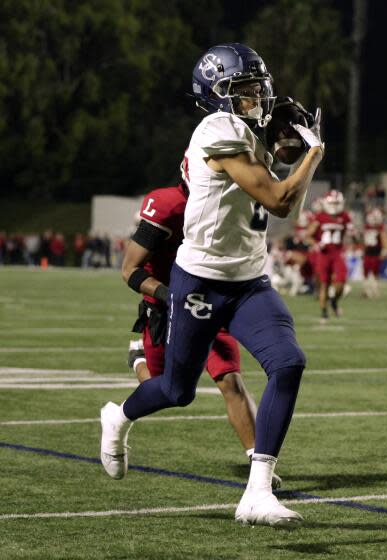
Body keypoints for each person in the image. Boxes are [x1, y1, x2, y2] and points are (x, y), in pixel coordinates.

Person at [100, 42, 324, 527]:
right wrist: (312, 154)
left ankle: (257, 491)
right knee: (176, 390)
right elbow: (281, 201)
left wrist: (289, 149)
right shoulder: (216, 130)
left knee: (288, 362)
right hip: (201, 279)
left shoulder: (250, 127)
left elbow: (285, 193)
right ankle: (118, 416)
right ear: (216, 96)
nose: (254, 99)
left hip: (248, 280)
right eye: (241, 91)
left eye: (256, 89)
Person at [121, 180, 280, 488]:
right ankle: (138, 357)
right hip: (167, 304)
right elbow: (130, 269)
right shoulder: (168, 204)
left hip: (208, 301)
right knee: (163, 390)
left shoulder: (227, 203)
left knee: (230, 380)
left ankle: (258, 465)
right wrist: (172, 295)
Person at [306, 189, 352, 322]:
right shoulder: (320, 216)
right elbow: (308, 236)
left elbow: (351, 232)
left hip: (338, 253)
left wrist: (353, 234)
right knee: (324, 283)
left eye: (337, 203)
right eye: (332, 203)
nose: (334, 206)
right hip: (324, 254)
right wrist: (316, 244)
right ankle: (324, 312)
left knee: (341, 283)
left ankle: (333, 301)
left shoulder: (344, 216)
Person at [361, 208, 387, 298]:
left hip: (376, 252)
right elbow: (365, 241)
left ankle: (375, 290)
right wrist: (363, 250)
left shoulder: (381, 228)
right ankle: (366, 290)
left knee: (375, 272)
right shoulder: (367, 227)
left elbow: (384, 239)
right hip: (368, 252)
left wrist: (384, 250)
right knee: (366, 272)